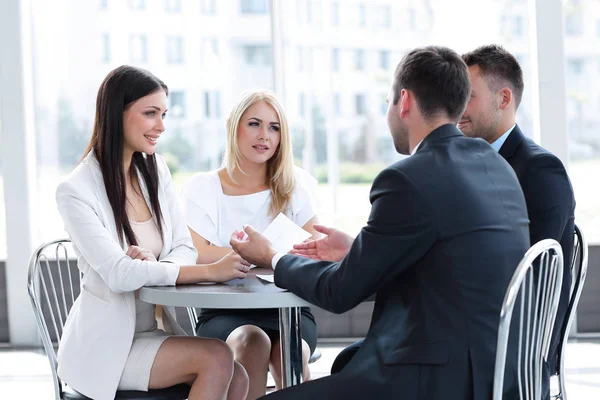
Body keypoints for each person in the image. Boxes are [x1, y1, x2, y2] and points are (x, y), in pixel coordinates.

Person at [229, 46, 530, 399]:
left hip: (437, 380)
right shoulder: (496, 166)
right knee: (347, 364)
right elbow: (444, 262)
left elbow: (339, 293)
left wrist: (273, 257)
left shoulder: (408, 178)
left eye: (389, 103)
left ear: (404, 101)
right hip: (501, 373)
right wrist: (356, 252)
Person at [55, 65, 249, 400]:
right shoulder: (75, 190)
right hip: (107, 347)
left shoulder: (154, 169)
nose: (161, 126)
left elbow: (182, 246)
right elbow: (118, 273)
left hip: (151, 332)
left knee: (238, 373)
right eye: (150, 114)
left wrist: (150, 265)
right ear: (118, 114)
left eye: (163, 114)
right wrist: (207, 271)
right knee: (217, 358)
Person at [180, 90, 319, 399]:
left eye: (274, 127)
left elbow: (316, 248)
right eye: (254, 124)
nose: (264, 136)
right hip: (224, 310)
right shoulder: (204, 188)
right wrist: (269, 257)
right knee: (251, 341)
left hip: (288, 308)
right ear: (234, 127)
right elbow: (195, 253)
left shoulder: (294, 186)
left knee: (290, 352)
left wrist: (250, 257)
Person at [459, 44, 576, 399]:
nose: (456, 108)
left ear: (504, 98)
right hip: (476, 325)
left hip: (516, 342)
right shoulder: (465, 165)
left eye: (468, 96)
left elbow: (527, 277)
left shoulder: (540, 169)